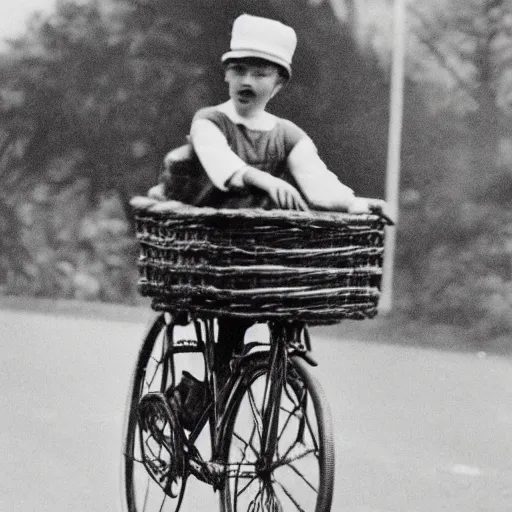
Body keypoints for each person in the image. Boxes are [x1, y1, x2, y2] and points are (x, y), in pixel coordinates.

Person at [150, 14, 386, 429]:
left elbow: (317, 182)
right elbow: (220, 164)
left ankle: (274, 364)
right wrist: (259, 177)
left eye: (261, 73)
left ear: (278, 84)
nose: (248, 81)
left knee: (287, 290)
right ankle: (205, 395)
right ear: (226, 75)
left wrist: (356, 204)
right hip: (212, 244)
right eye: (239, 70)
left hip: (256, 249)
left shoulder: (287, 134)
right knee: (232, 319)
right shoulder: (210, 122)